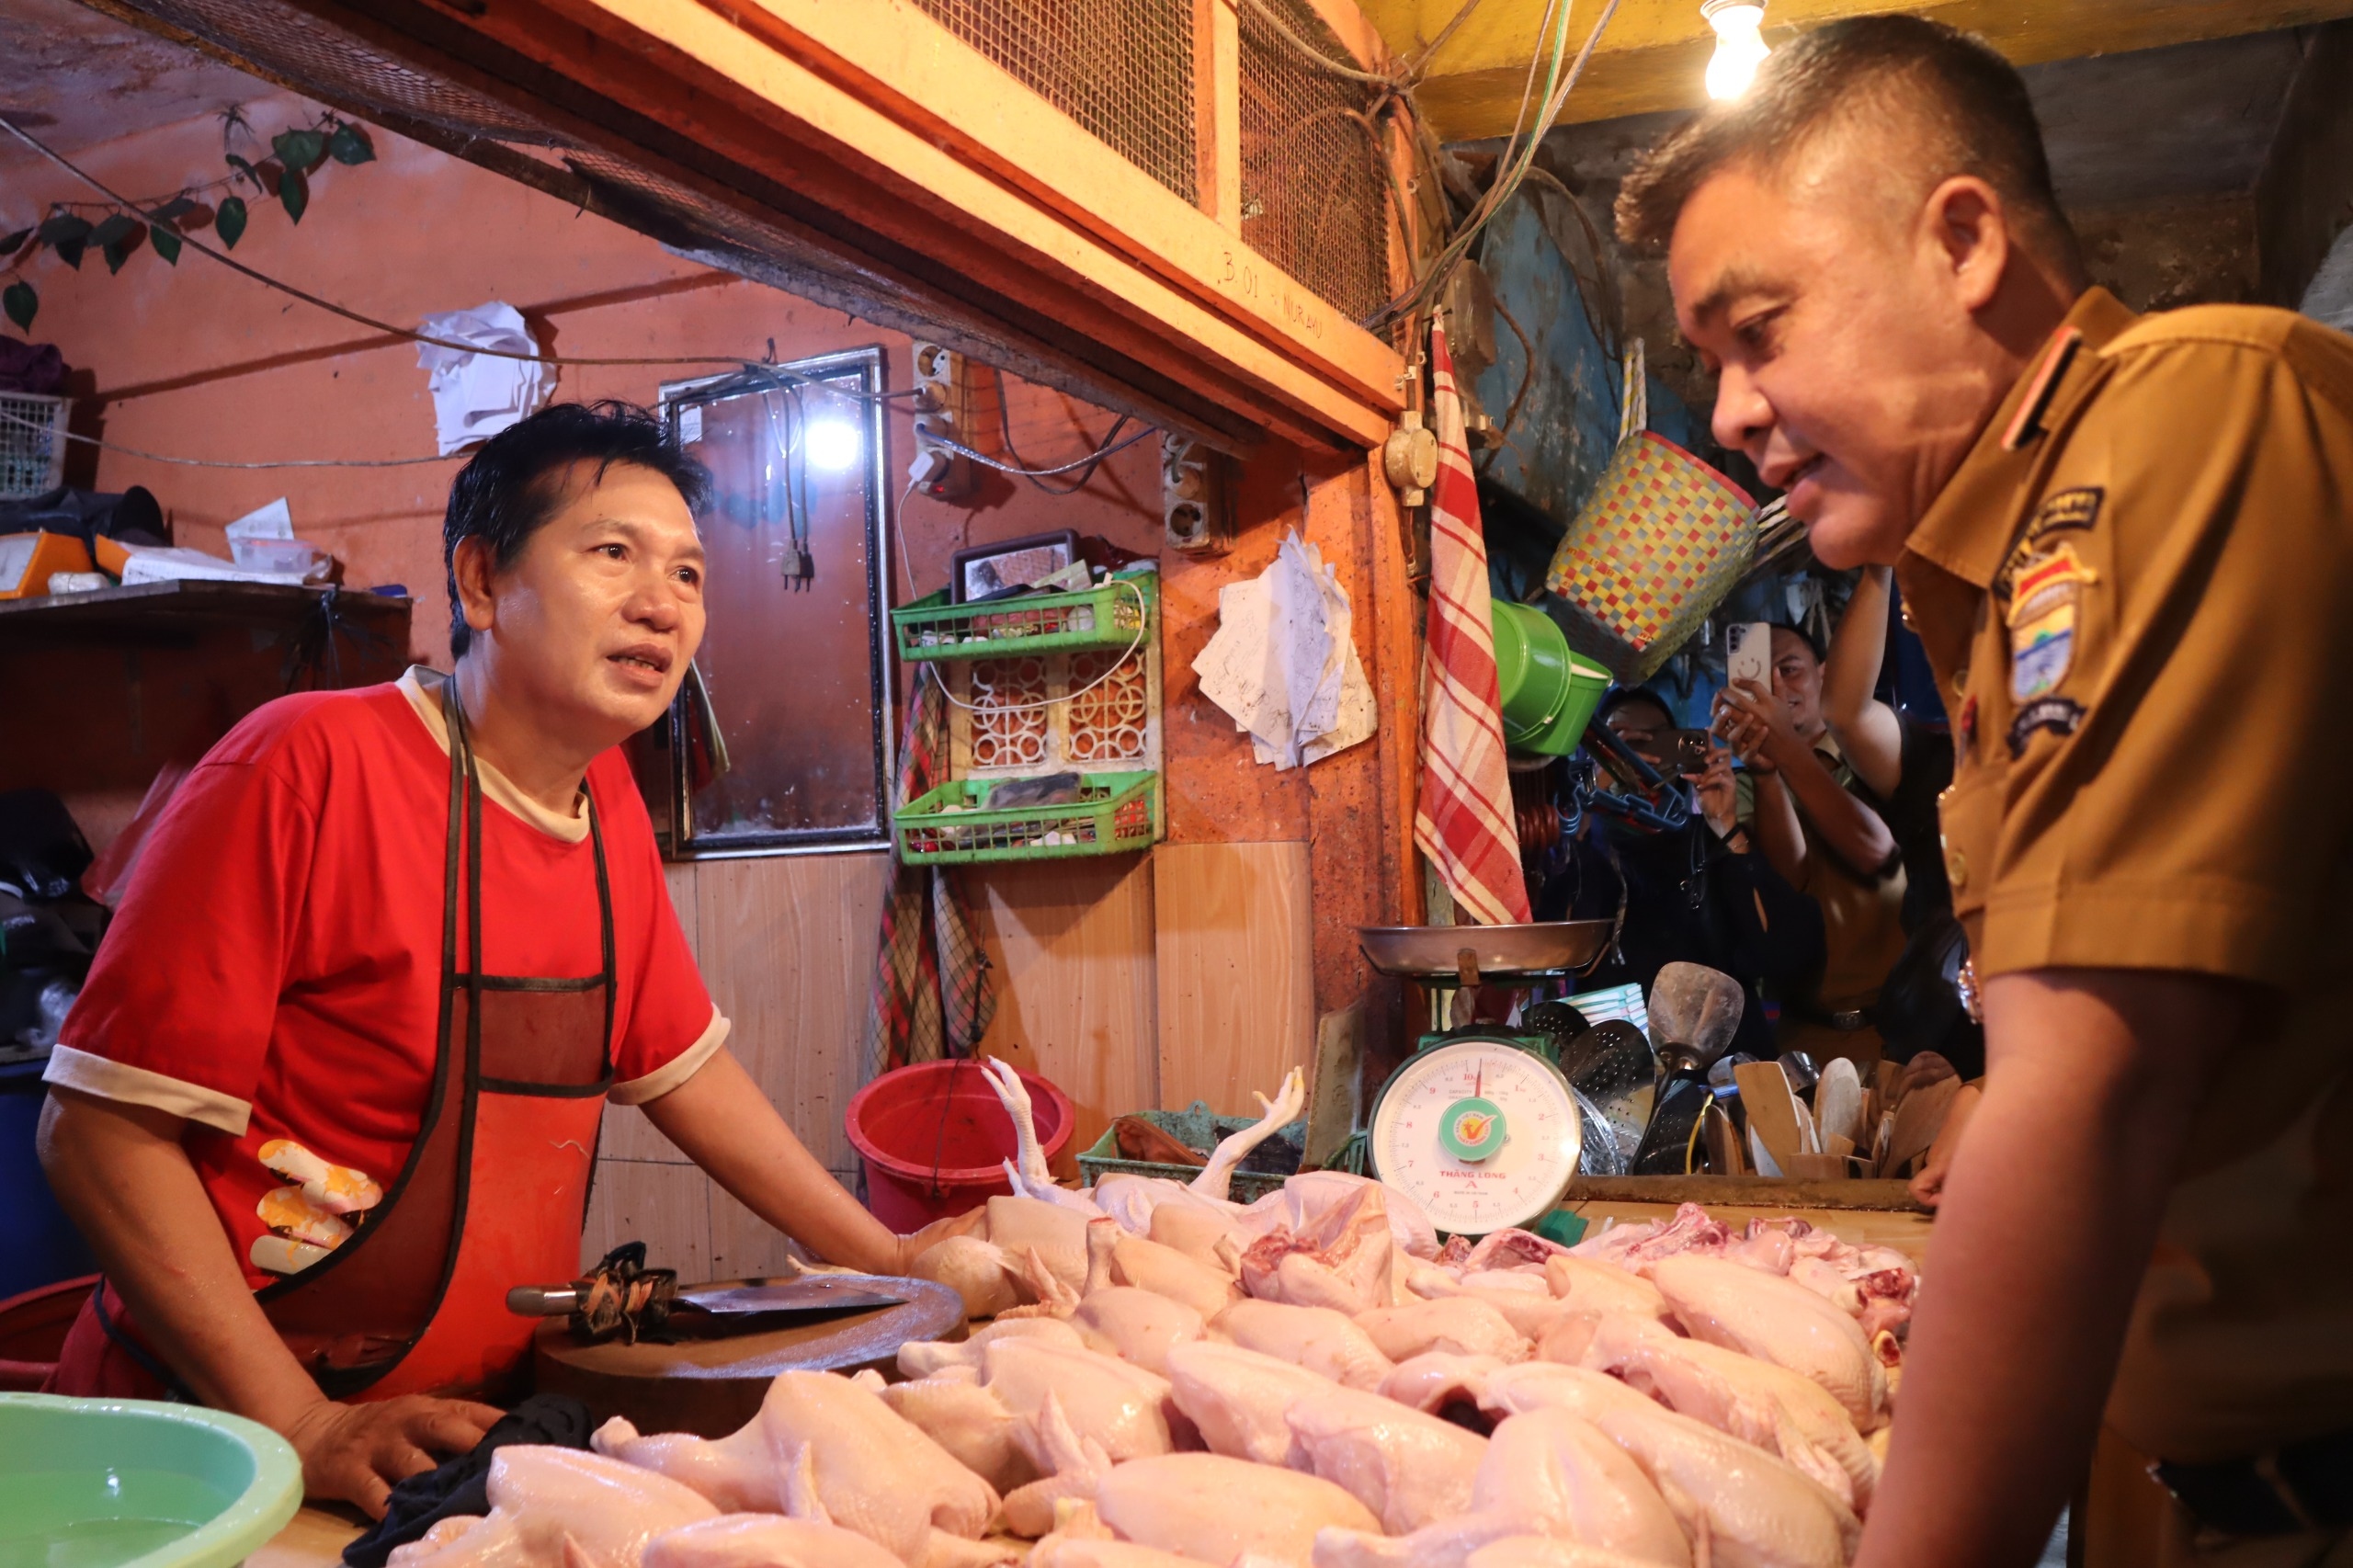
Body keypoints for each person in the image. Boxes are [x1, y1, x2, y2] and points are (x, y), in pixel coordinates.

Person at [1620, 14, 2353, 1566]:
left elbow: (2097, 1088)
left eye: (1759, 329)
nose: (1733, 411)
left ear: (1960, 242)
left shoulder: (2176, 417)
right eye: (1709, 362)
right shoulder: (1984, 581)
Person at [37, 403, 972, 1517]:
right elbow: (95, 1132)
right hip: (221, 1437)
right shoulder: (304, 764)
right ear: (481, 583)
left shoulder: (604, 799)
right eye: (612, 552)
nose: (661, 602)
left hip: (435, 1431)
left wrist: (894, 1257)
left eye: (688, 572)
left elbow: (682, 1070)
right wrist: (298, 1421)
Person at [1540, 687, 1823, 1064]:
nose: (1639, 757)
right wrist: (1589, 803)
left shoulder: (1708, 841)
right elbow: (1551, 939)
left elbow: (1783, 954)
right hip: (1612, 1076)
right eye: (1620, 741)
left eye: (1657, 739)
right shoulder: (1581, 847)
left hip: (1722, 1073)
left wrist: (1725, 826)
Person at [1712, 622, 1907, 1069]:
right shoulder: (1743, 787)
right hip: (1804, 1036)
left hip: (1898, 1029)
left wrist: (1788, 756)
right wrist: (1765, 770)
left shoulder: (1873, 751)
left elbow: (1876, 852)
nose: (1779, 687)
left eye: (1791, 669)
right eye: (1763, 674)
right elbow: (1788, 880)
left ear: (1824, 672)